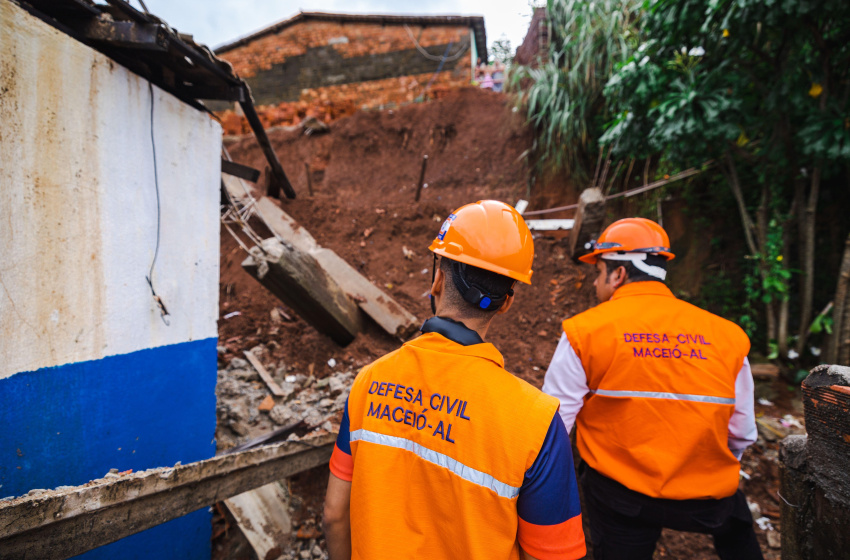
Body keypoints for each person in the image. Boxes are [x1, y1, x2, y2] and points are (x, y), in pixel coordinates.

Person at [323, 200, 586, 560]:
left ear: (438, 279)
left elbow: (335, 516)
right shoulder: (536, 423)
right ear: (506, 302)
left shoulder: (369, 383)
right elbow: (554, 555)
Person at [542, 217, 763, 560]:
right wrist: (707, 467)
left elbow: (554, 426)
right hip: (707, 497)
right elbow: (743, 433)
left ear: (618, 274)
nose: (595, 283)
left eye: (598, 272)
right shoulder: (727, 336)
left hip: (621, 497)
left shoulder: (585, 332)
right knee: (738, 533)